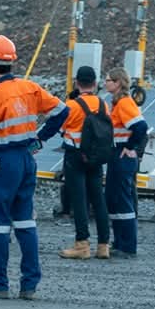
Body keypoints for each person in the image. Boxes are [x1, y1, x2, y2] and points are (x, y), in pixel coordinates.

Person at [0, 35, 62, 300]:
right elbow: (62, 112)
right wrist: (39, 139)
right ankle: (29, 284)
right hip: (25, 158)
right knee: (25, 221)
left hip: (2, 160)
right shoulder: (30, 88)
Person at [54, 66, 114, 260]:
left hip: (75, 156)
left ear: (76, 82)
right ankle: (104, 245)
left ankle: (82, 244)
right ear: (95, 84)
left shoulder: (71, 105)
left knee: (79, 200)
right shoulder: (104, 105)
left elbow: (61, 129)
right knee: (98, 199)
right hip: (97, 158)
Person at [103, 69, 149, 258]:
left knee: (122, 199)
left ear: (118, 83)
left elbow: (140, 127)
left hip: (122, 155)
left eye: (108, 80)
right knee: (114, 198)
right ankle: (120, 242)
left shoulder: (124, 104)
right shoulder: (117, 104)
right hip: (116, 154)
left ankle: (128, 245)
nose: (105, 83)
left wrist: (130, 147)